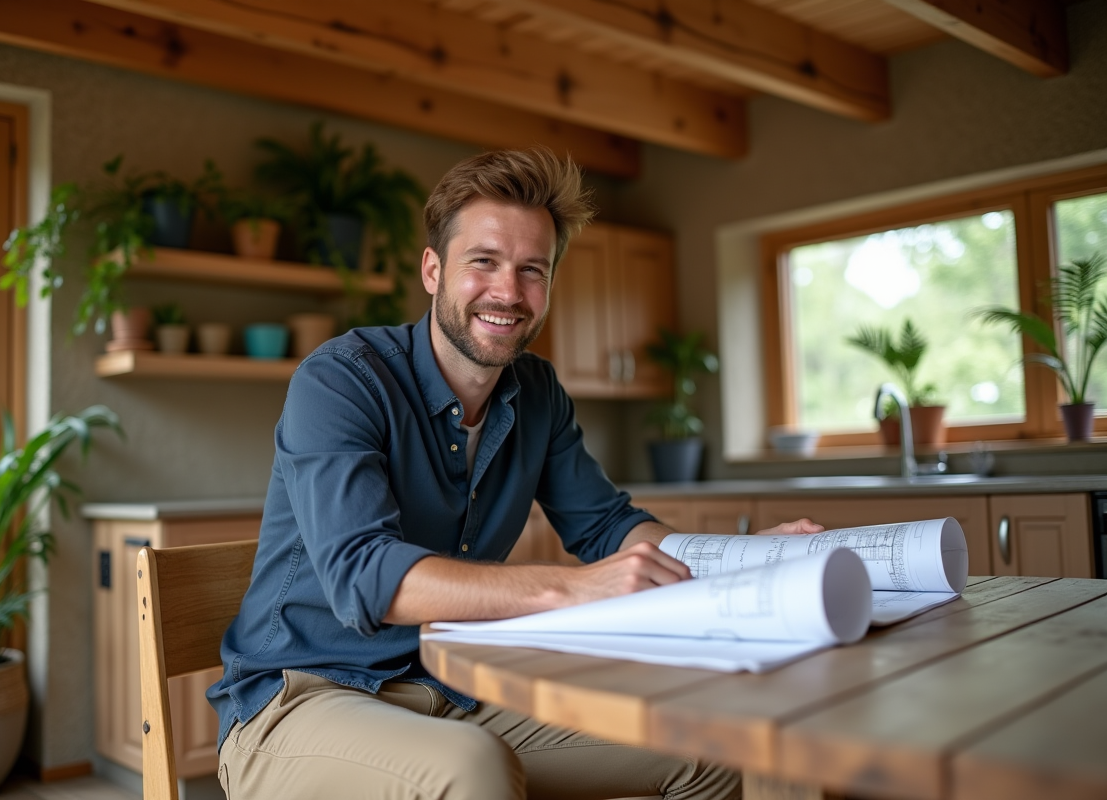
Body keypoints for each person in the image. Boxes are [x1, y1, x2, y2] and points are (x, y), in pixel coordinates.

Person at [207, 148, 820, 800]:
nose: (508, 291)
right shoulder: (341, 379)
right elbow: (366, 576)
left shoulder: (537, 393)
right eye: (484, 263)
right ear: (433, 270)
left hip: (455, 687)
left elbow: (607, 527)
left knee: (711, 744)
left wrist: (745, 559)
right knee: (473, 770)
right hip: (300, 699)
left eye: (533, 270)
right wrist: (571, 589)